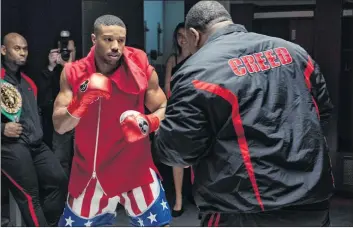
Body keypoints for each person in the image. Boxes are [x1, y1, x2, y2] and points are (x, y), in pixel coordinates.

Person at [154, 1, 334, 227]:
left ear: (194, 35)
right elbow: (322, 114)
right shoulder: (295, 53)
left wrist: (158, 129)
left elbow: (177, 151)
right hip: (311, 203)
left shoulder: (196, 71)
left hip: (242, 209)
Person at [52, 15, 171, 227]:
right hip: (91, 173)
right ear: (93, 39)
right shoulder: (73, 73)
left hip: (135, 168)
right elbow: (60, 126)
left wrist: (148, 123)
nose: (116, 47)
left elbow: (163, 107)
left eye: (121, 40)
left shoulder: (140, 65)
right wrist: (80, 102)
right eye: (108, 39)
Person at [1, 33, 67, 226]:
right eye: (17, 48)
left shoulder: (29, 83)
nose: (22, 53)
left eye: (25, 49)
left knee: (59, 181)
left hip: (36, 144)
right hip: (10, 146)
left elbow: (42, 110)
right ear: (3, 50)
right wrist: (2, 128)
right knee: (31, 197)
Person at [163, 22, 192, 217]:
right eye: (179, 35)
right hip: (176, 111)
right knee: (177, 157)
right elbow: (166, 88)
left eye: (185, 34)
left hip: (196, 110)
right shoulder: (172, 60)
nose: (182, 38)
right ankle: (179, 200)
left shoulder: (200, 58)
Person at [37, 38, 76, 176]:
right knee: (60, 161)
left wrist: (69, 67)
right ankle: (62, 195)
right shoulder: (51, 73)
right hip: (60, 123)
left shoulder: (83, 68)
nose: (66, 54)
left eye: (69, 51)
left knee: (81, 160)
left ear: (75, 51)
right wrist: (50, 67)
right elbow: (42, 99)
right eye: (63, 52)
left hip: (80, 123)